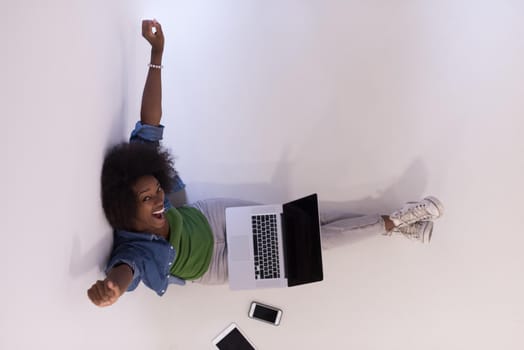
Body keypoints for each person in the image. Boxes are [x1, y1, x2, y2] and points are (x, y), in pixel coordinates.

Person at [87, 19, 444, 307]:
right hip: (216, 265)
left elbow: (149, 123)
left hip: (211, 218)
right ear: (124, 209)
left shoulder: (139, 170)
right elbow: (125, 271)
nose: (159, 199)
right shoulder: (132, 249)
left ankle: (396, 224)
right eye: (147, 199)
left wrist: (157, 53)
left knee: (307, 219)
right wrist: (111, 290)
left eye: (157, 190)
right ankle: (394, 222)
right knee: (312, 245)